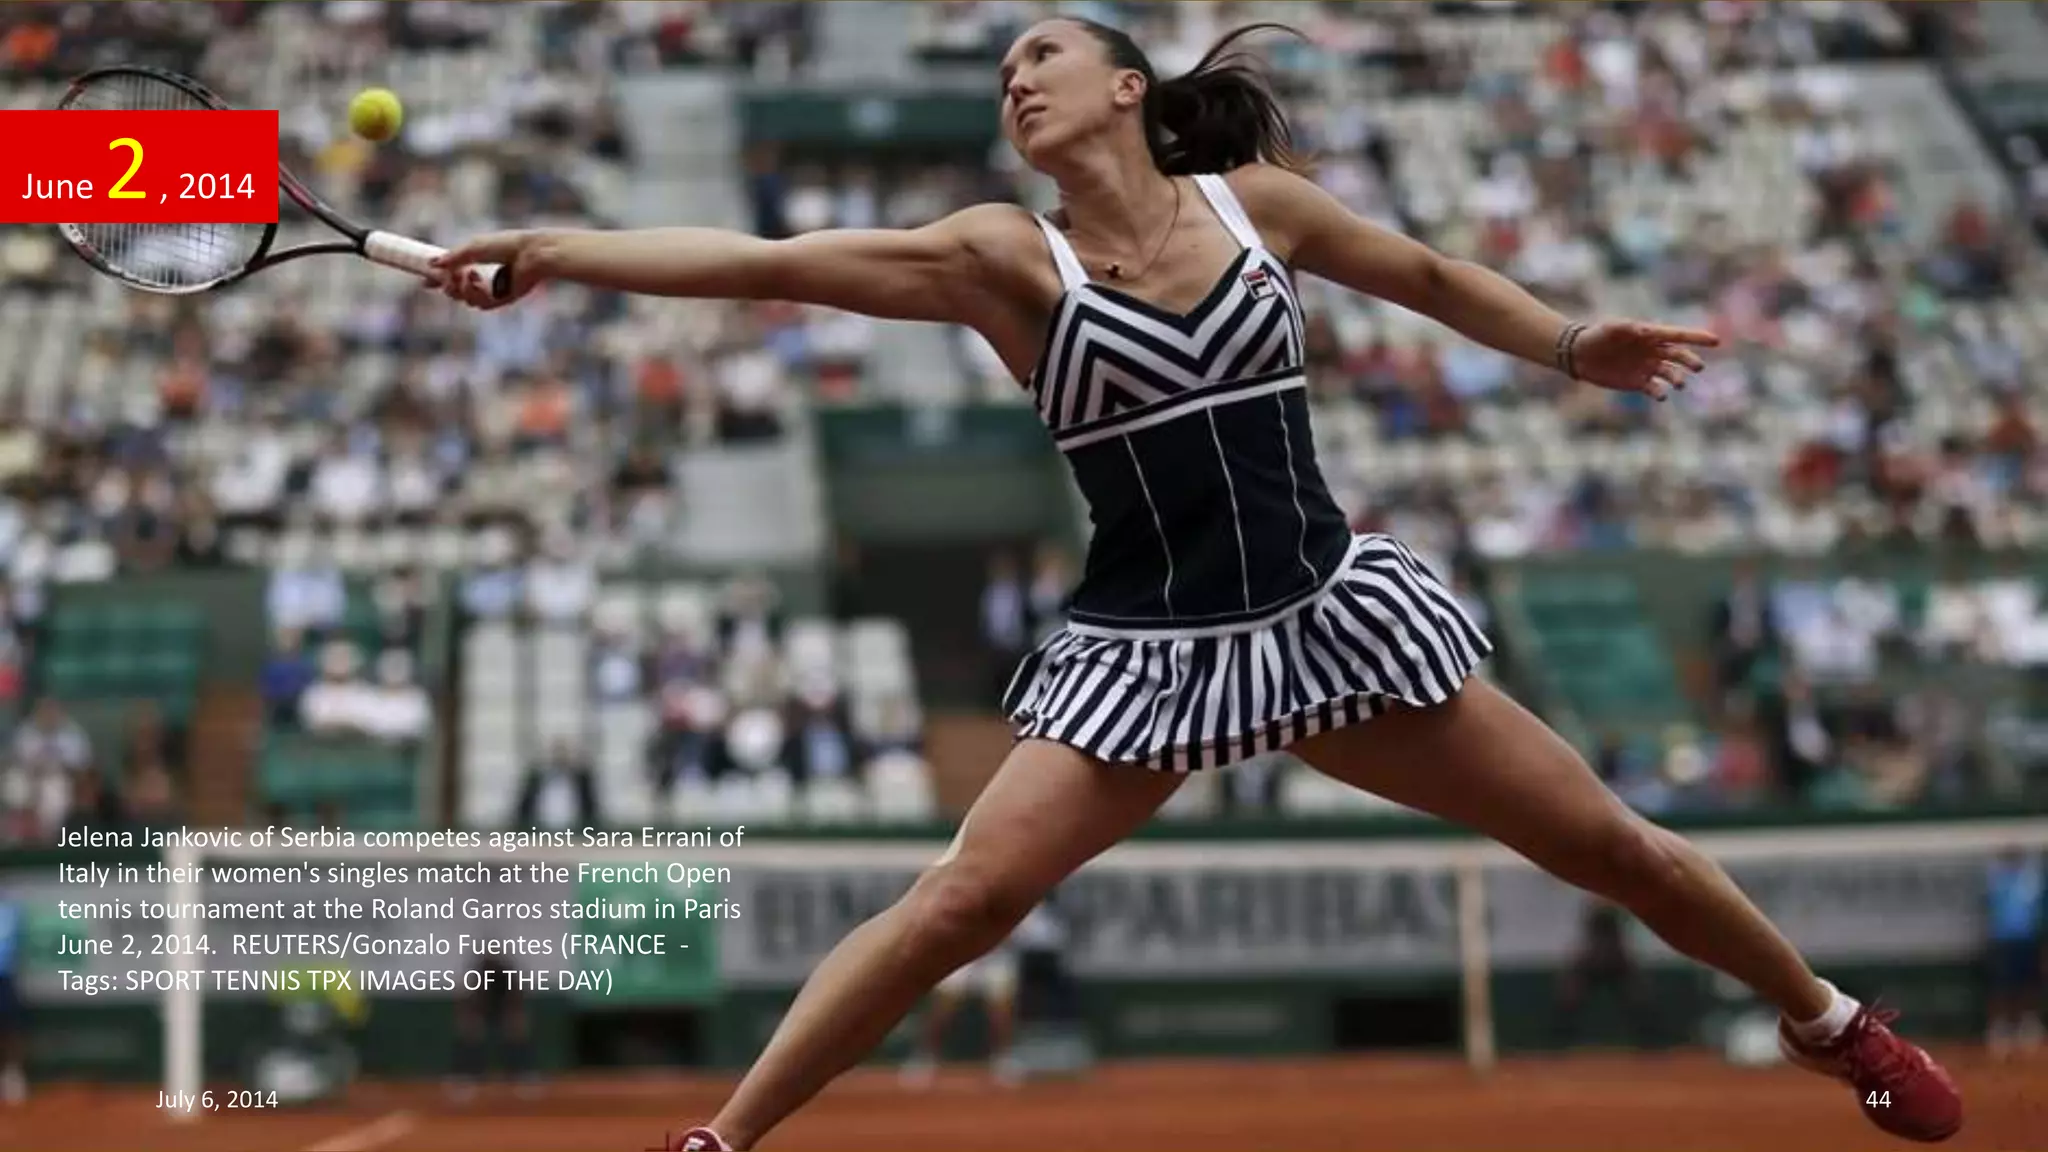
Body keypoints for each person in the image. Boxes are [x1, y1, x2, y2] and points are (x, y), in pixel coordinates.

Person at [431, 19, 1962, 1149]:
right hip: (1149, 653)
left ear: (1128, 88)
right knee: (962, 900)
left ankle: (1830, 1022)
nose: (1015, 79)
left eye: (1041, 54)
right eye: (1001, 71)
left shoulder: (1254, 206)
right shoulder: (1002, 258)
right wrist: (558, 249)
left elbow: (1430, 279)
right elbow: (766, 263)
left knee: (1611, 846)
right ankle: (722, 1141)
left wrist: (1571, 343)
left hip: (1328, 618)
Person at [1983, 847, 2045, 1058]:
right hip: (2002, 940)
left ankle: (2027, 1025)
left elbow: (2037, 912)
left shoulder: (2031, 882)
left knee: (2028, 984)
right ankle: (2000, 1027)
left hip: (2027, 940)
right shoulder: (1996, 880)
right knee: (2002, 986)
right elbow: (1989, 910)